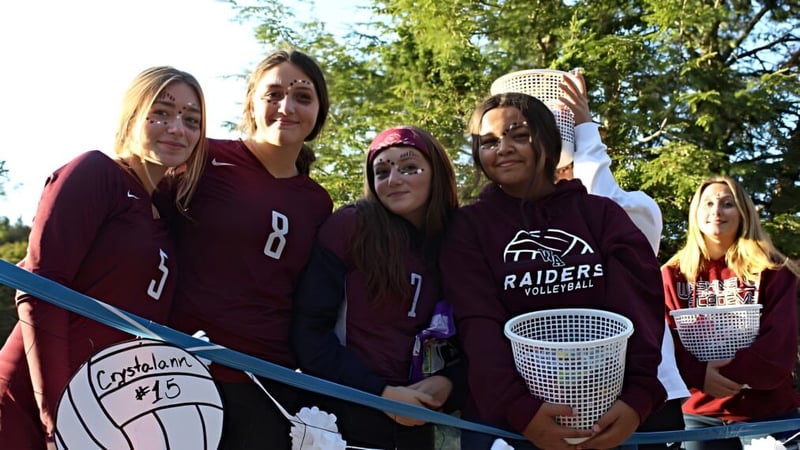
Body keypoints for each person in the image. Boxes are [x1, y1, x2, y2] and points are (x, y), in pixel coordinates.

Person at [440, 91, 667, 450]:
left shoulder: (601, 215)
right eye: (488, 142)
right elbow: (476, 322)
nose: (503, 148)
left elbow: (640, 308)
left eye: (519, 135)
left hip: (606, 418)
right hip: (508, 425)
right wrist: (520, 410)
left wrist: (638, 398)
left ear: (547, 139)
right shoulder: (467, 227)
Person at [0, 66, 207, 449]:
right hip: (33, 401)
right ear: (131, 117)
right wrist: (57, 415)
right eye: (161, 112)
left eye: (191, 119)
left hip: (104, 408)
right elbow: (41, 290)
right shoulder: (95, 172)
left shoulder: (168, 212)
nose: (177, 127)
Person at [167, 48, 333, 449]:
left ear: (319, 112)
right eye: (273, 94)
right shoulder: (203, 157)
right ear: (251, 104)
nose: (287, 107)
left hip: (269, 383)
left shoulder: (318, 203)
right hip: (184, 371)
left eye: (303, 97)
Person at [291, 126, 463, 449]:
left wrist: (449, 382)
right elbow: (309, 335)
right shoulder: (350, 227)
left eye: (410, 168)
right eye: (381, 171)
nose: (394, 179)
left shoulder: (458, 239)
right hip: (345, 420)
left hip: (423, 424)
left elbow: (476, 338)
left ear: (436, 173)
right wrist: (381, 394)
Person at [553, 70, 689, 447]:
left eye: (570, 164)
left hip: (649, 394)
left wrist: (583, 129)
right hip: (567, 395)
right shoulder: (534, 227)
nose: (565, 177)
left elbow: (601, 204)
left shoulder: (639, 210)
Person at [662, 175, 800, 450]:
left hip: (768, 415)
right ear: (696, 213)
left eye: (727, 204)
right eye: (708, 203)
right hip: (700, 416)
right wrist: (698, 373)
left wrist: (734, 373)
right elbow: (662, 340)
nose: (716, 211)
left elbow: (780, 342)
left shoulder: (773, 271)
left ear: (743, 212)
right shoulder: (672, 274)